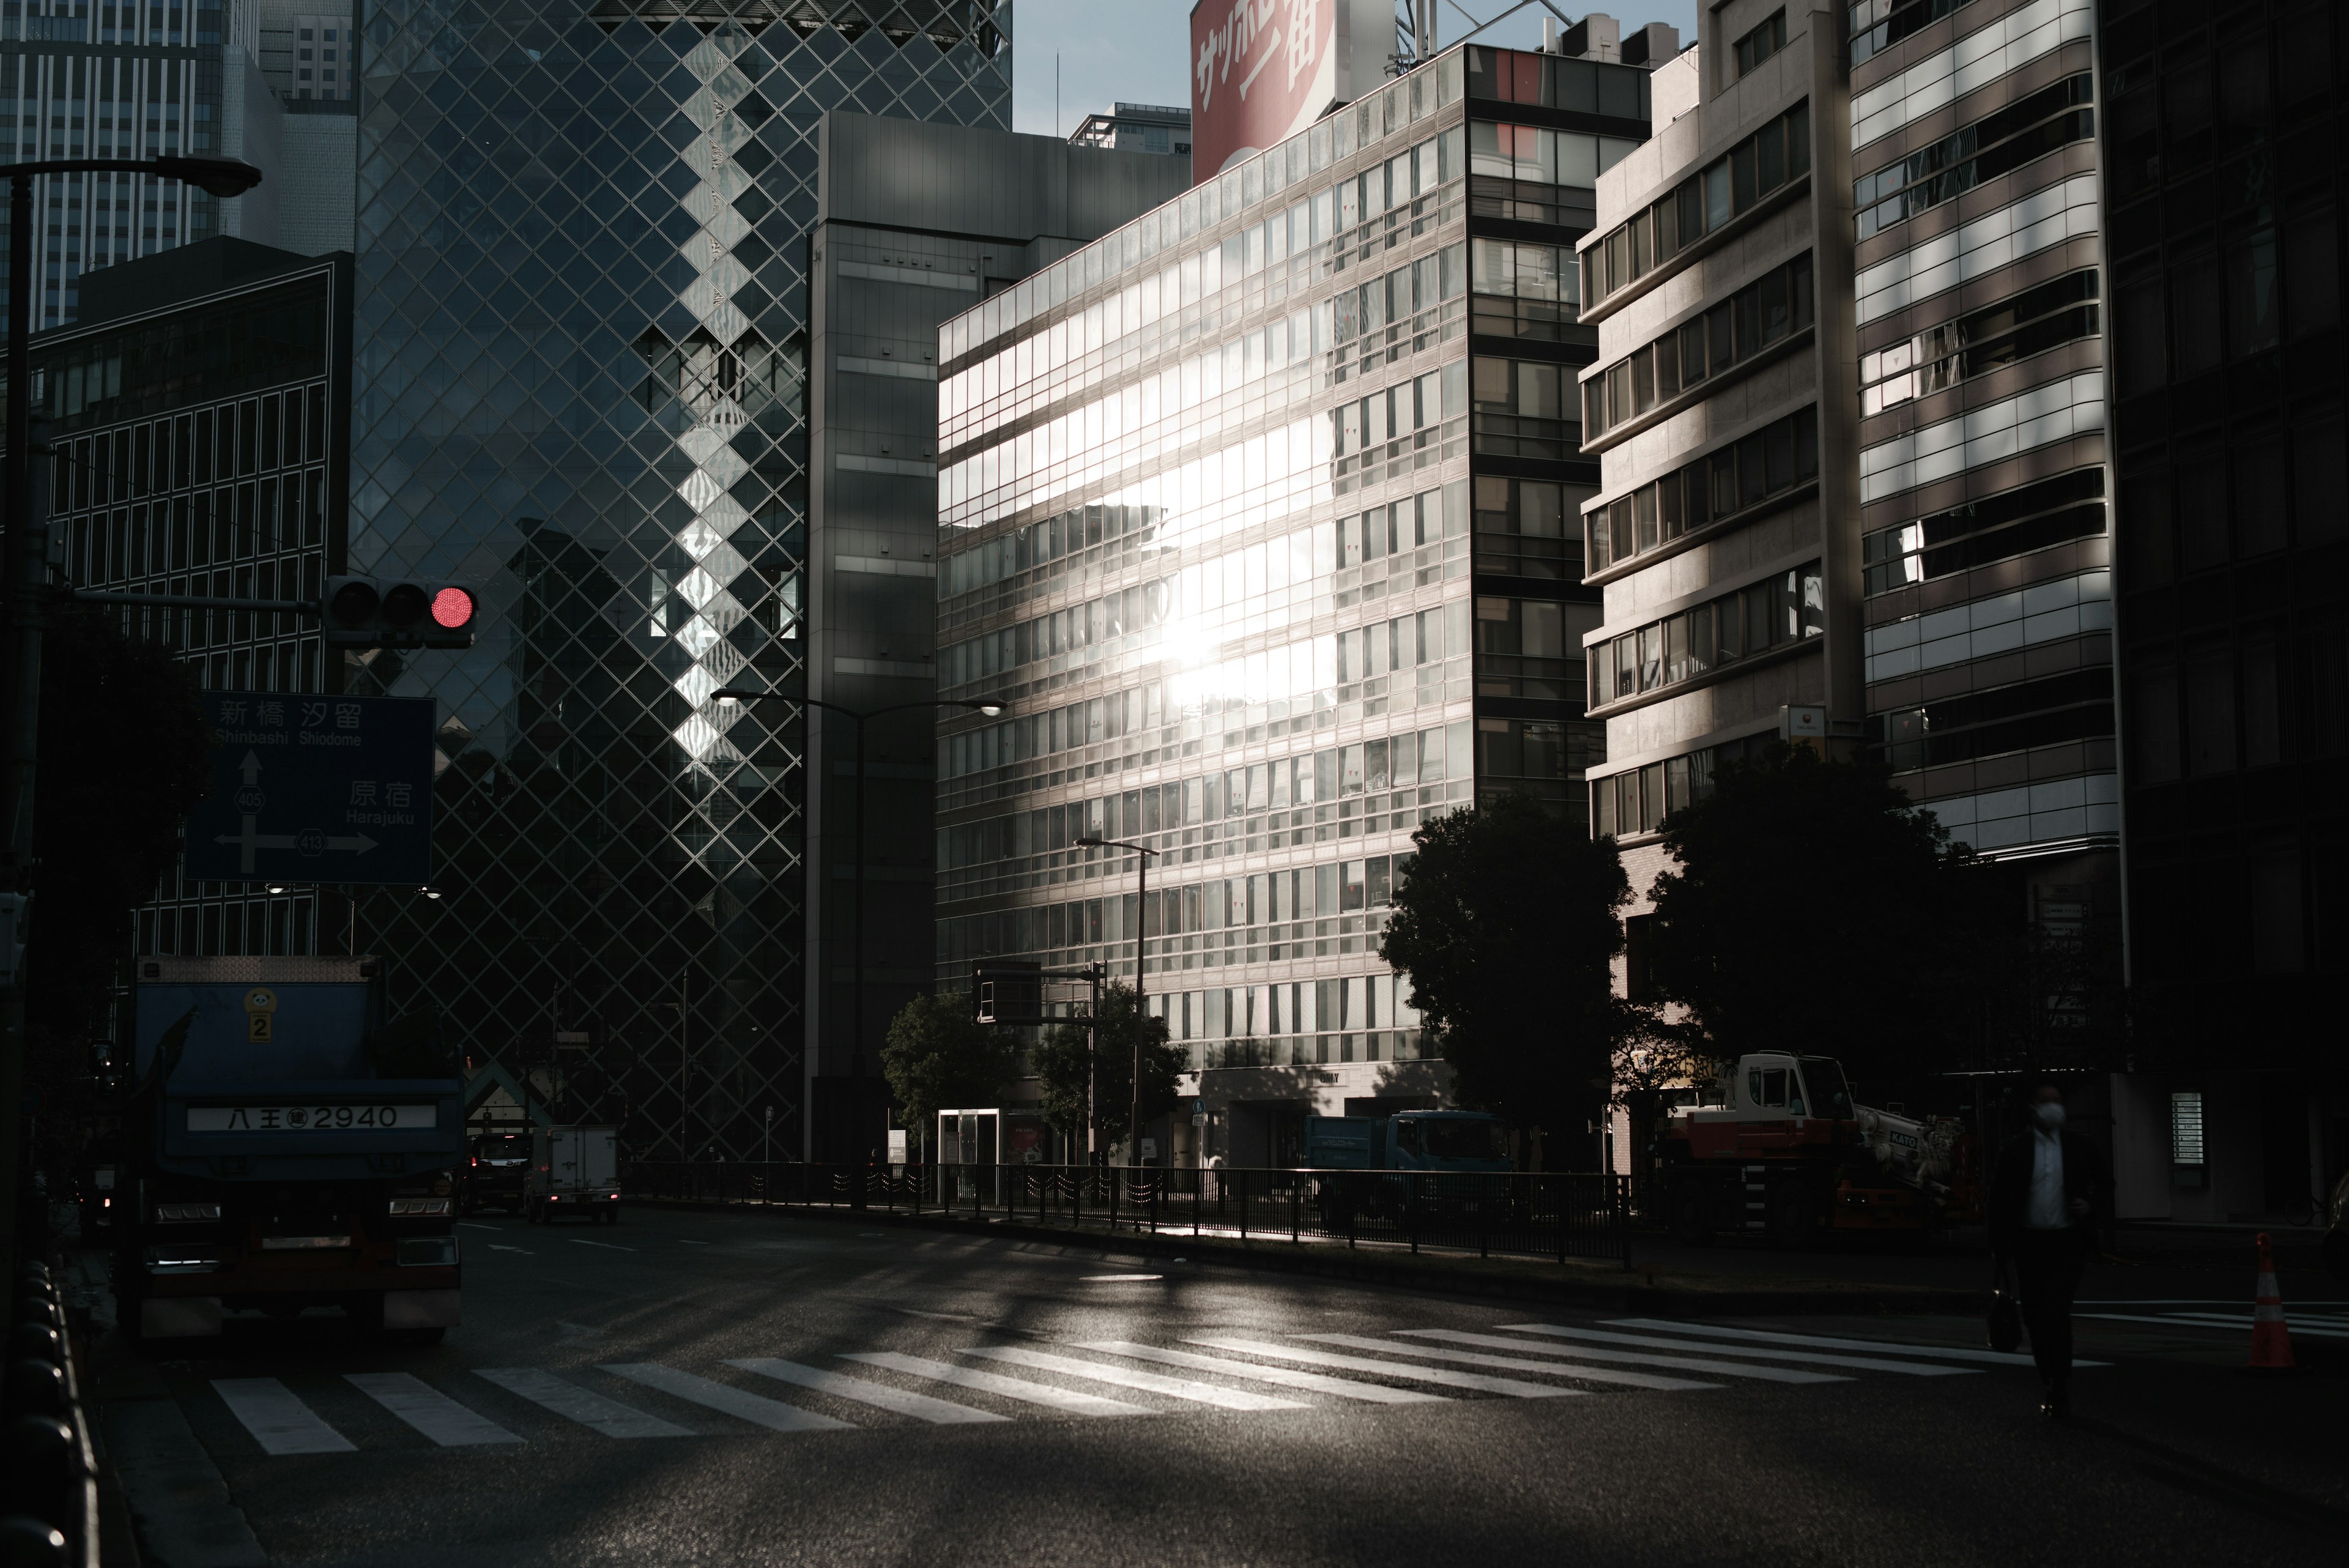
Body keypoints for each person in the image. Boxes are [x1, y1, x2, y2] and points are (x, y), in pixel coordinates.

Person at [1989, 1082, 2100, 1418]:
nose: (2053, 1107)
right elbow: (1998, 1198)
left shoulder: (2080, 1147)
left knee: (2055, 1311)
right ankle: (2049, 1381)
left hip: (2067, 1242)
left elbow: (2105, 1184)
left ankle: (2060, 1385)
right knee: (2036, 1317)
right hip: (2030, 1243)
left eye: (2057, 1100)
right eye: (2046, 1101)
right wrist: (1999, 1247)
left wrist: (2090, 1205)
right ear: (2033, 1108)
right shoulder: (2016, 1150)